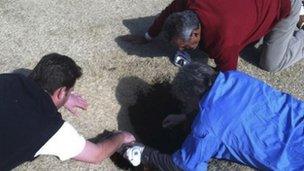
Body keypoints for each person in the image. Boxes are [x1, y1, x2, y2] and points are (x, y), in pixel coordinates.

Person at [121, 62, 304, 170]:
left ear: (192, 99)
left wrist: (145, 153)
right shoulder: (235, 78)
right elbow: (223, 104)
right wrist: (185, 117)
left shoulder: (207, 127)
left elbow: (183, 165)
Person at [0, 53, 135, 171]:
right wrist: (122, 136)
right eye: (69, 91)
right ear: (61, 91)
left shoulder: (8, 79)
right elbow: (96, 154)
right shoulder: (50, 128)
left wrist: (63, 97)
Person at [122, 0, 304, 72]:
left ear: (195, 33)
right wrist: (147, 36)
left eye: (184, 45)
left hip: (284, 3)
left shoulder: (224, 41)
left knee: (271, 63)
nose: (180, 49)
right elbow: (168, 12)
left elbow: (229, 76)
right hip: (253, 6)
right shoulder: (187, 3)